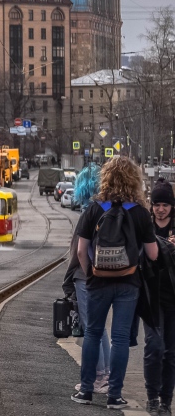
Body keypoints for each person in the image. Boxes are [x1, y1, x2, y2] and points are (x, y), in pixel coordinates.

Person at [73, 156, 160, 409]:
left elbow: (81, 250)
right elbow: (153, 254)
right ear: (134, 180)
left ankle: (86, 391)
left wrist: (92, 272)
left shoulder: (94, 208)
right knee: (120, 338)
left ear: (106, 177)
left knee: (93, 333)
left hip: (97, 282)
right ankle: (115, 396)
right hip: (128, 283)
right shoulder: (141, 213)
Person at [63, 164, 111, 395]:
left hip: (86, 277)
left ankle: (98, 378)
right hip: (103, 275)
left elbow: (79, 252)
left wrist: (75, 277)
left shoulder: (88, 212)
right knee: (101, 328)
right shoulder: (106, 209)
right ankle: (105, 375)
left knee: (92, 328)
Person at [143, 179, 175, 414]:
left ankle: (166, 401)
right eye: (157, 204)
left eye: (165, 204)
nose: (161, 209)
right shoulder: (146, 227)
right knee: (154, 346)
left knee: (171, 353)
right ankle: (152, 397)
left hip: (173, 297)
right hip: (151, 295)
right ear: (151, 206)